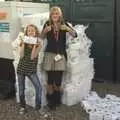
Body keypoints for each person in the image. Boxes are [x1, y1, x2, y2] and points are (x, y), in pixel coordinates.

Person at [40, 6, 77, 110]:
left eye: (56, 14)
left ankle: (57, 100)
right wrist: (45, 31)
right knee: (50, 79)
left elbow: (75, 35)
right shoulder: (47, 24)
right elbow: (41, 37)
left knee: (58, 79)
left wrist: (68, 29)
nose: (55, 16)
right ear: (50, 15)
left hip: (60, 55)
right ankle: (50, 101)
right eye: (53, 14)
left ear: (59, 15)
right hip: (49, 54)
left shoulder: (64, 24)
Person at [17, 24, 42, 114]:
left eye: (32, 30)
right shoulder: (24, 42)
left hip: (31, 70)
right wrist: (24, 43)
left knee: (39, 88)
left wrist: (35, 45)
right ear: (26, 32)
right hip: (21, 68)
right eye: (29, 31)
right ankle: (23, 107)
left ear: (36, 32)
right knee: (21, 88)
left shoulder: (39, 43)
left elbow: (32, 57)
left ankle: (38, 107)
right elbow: (21, 55)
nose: (31, 32)